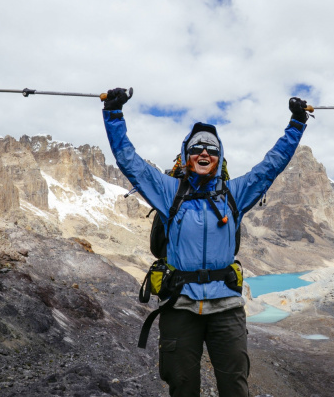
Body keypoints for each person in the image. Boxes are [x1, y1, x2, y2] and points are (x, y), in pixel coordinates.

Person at [102, 89, 309, 397]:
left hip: (226, 307)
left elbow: (271, 165)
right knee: (182, 387)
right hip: (179, 304)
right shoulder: (168, 190)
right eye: (197, 147)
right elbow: (128, 161)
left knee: (235, 388)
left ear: (219, 157)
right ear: (187, 154)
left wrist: (296, 123)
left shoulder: (234, 193)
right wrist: (114, 114)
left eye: (211, 149)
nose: (203, 153)